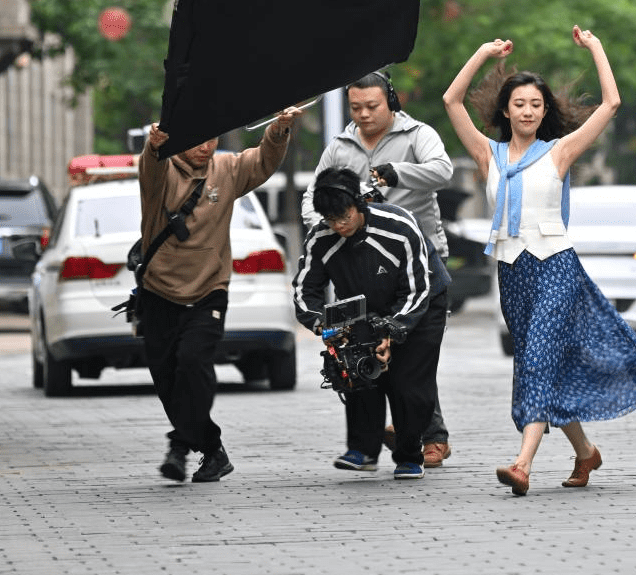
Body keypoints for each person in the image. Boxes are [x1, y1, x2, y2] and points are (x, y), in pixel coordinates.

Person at [443, 27, 636, 495]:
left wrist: (596, 48)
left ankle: (522, 465)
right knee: (537, 363)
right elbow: (451, 100)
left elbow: (610, 104)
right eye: (519, 103)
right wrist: (483, 53)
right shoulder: (489, 155)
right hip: (512, 270)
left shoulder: (559, 151)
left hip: (556, 267)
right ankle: (586, 452)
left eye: (536, 105)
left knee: (540, 356)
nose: (527, 111)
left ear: (545, 112)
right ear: (506, 109)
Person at [301, 70, 454, 467]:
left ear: (391, 102)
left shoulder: (416, 134)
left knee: (411, 362)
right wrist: (323, 221)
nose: (364, 114)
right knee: (361, 355)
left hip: (420, 259)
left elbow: (443, 171)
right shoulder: (340, 145)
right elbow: (316, 191)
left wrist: (397, 173)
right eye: (356, 107)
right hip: (359, 260)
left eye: (372, 106)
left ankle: (423, 439)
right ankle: (371, 442)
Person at [140, 110, 301, 483]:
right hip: (159, 292)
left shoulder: (226, 169)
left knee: (194, 363)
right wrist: (153, 147)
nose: (205, 147)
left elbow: (262, 161)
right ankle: (212, 450)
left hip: (209, 290)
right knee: (168, 381)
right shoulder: (161, 170)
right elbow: (149, 169)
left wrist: (278, 130)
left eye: (211, 139)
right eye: (197, 139)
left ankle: (179, 447)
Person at [294, 167, 450, 480]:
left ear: (359, 204)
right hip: (361, 307)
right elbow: (304, 291)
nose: (339, 225)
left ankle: (409, 454)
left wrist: (392, 331)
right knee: (356, 370)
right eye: (330, 219)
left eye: (345, 215)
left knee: (407, 381)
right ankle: (363, 451)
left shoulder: (399, 226)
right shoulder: (321, 238)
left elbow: (417, 289)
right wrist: (323, 326)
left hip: (420, 303)